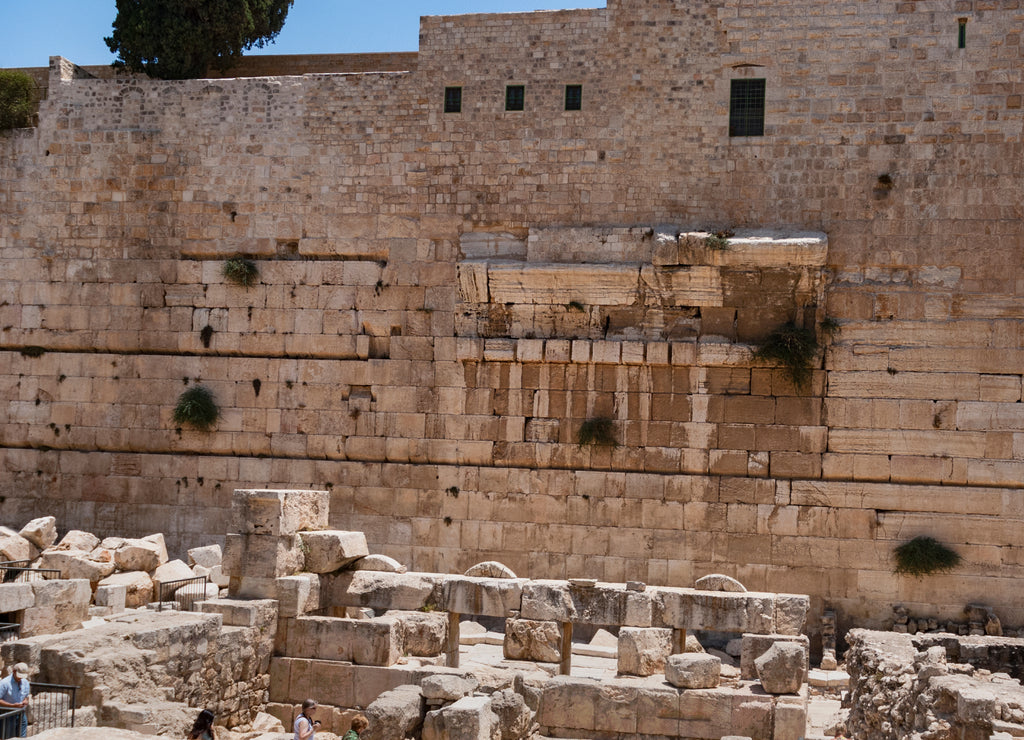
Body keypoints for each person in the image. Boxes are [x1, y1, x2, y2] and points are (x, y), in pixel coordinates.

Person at [0, 663, 30, 738]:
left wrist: (25, 701)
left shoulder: (25, 682)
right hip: (8, 714)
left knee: (22, 736)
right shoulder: (4, 683)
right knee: (9, 736)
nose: (20, 678)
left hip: (21, 713)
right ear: (13, 671)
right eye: (19, 675)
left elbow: (26, 696)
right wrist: (12, 706)